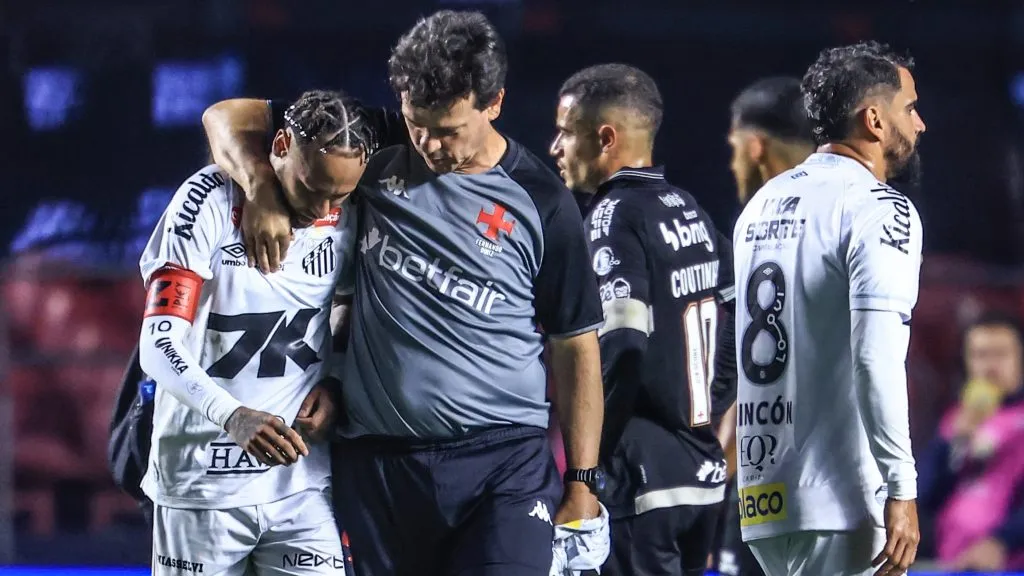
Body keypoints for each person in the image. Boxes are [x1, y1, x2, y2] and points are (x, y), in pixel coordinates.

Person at [203, 10, 606, 576]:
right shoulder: (377, 143)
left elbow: (575, 343)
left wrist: (582, 480)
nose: (430, 145)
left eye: (448, 130)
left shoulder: (542, 200)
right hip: (377, 467)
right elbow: (226, 115)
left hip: (503, 464)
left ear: (494, 103)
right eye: (418, 124)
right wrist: (261, 186)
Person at [138, 89, 371, 575]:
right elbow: (158, 346)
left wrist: (333, 379)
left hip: (301, 485)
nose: (323, 206)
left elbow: (344, 307)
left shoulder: (348, 214)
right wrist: (233, 417)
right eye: (312, 188)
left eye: (340, 194)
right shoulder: (207, 202)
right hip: (201, 485)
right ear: (281, 146)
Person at [732, 41, 926, 576]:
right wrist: (902, 489)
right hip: (844, 503)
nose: (920, 125)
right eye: (909, 109)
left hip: (765, 501)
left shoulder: (760, 205)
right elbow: (876, 359)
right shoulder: (879, 207)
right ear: (874, 119)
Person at [550, 63, 737, 576]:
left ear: (604, 138)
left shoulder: (612, 217)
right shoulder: (689, 209)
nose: (555, 148)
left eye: (565, 132)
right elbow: (743, 312)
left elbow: (625, 344)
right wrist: (706, 406)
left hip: (640, 481)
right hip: (701, 476)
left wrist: (587, 466)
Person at [713, 76, 814, 576]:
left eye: (734, 151)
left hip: (767, 477)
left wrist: (719, 465)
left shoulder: (755, 226)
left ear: (754, 147)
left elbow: (753, 366)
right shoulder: (855, 211)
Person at [917, 312, 1024, 571]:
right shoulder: (957, 417)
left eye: (1000, 354)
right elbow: (923, 493)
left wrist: (1002, 541)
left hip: (1011, 563)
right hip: (954, 562)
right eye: (979, 355)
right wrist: (951, 442)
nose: (990, 366)